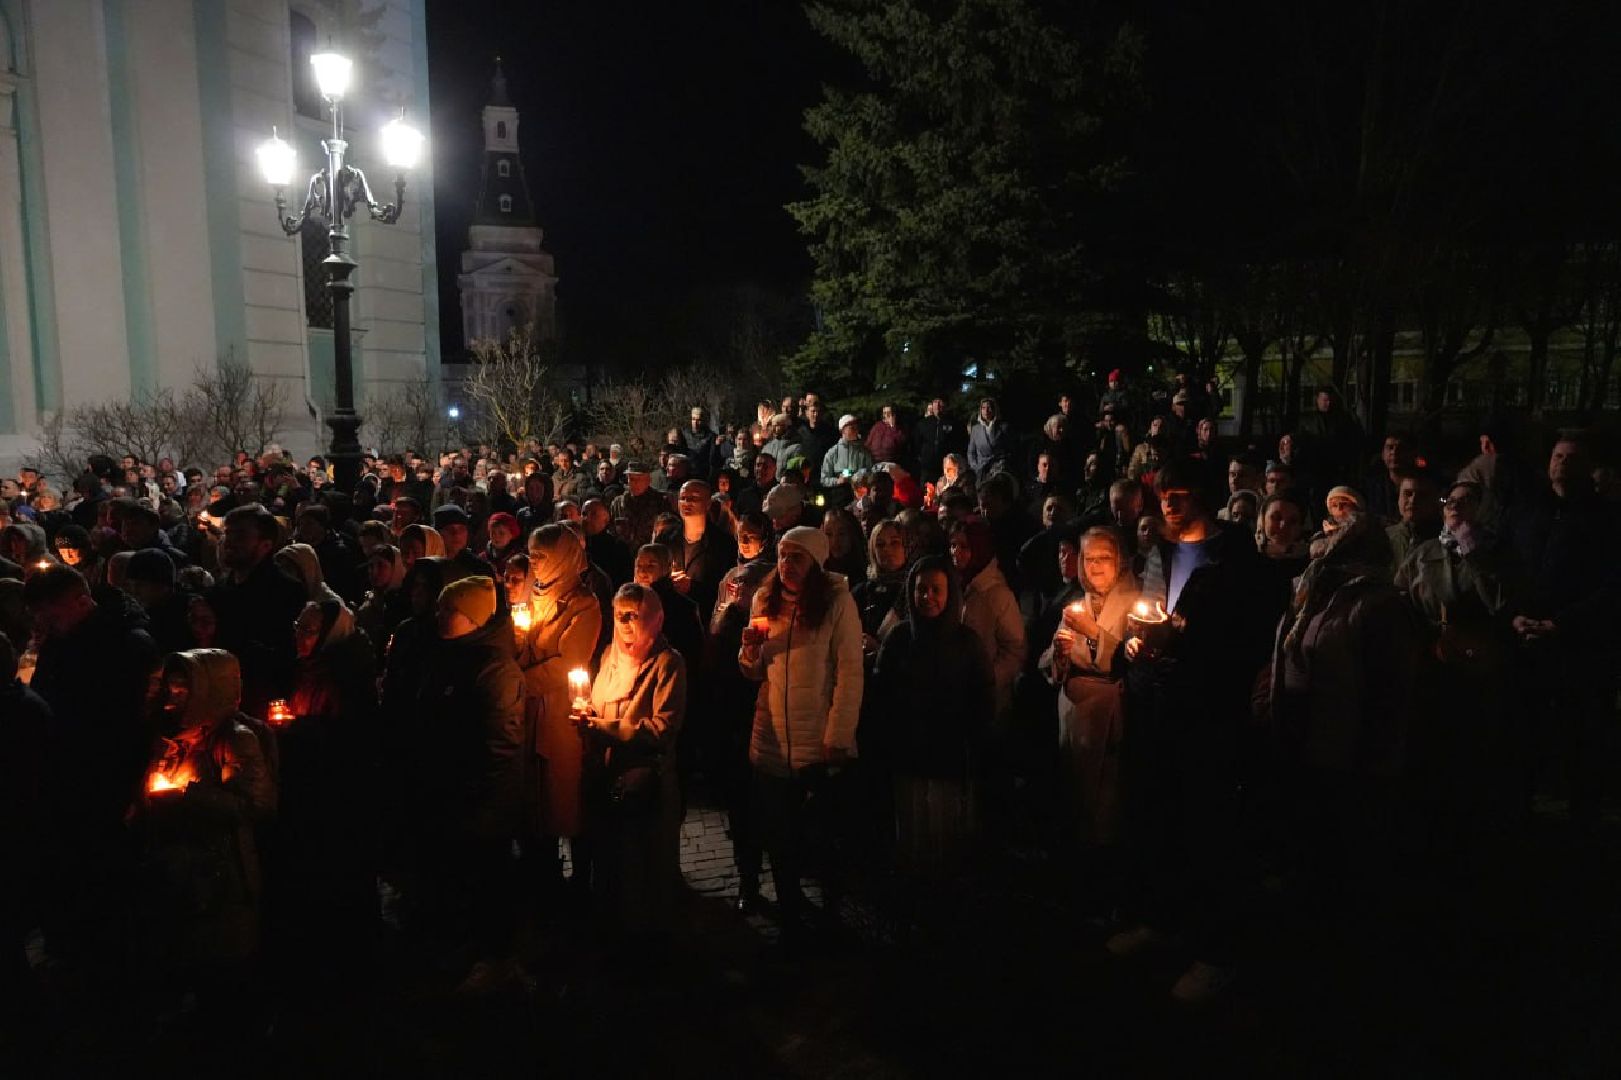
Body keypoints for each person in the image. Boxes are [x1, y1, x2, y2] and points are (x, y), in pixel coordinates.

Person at [1113, 459, 1280, 1004]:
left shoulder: (1234, 560)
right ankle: (1163, 923)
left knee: (1210, 830)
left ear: (1202, 498)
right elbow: (1147, 614)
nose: (1169, 505)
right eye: (1164, 495)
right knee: (1160, 817)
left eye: (1180, 495)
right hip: (1158, 705)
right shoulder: (1159, 553)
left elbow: (1244, 638)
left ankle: (1217, 954)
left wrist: (1184, 644)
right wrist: (1137, 644)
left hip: (1210, 713)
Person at [1269, 512, 1419, 930]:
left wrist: (1376, 760)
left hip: (1346, 751)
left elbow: (1390, 691)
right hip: (1305, 740)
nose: (1325, 541)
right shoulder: (1315, 594)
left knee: (1343, 855)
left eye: (1337, 537)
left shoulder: (1379, 605)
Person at [24, 564, 159, 981]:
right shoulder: (61, 640)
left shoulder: (127, 644)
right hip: (65, 774)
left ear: (81, 602)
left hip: (105, 777)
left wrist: (131, 784)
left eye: (52, 617)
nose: (45, 627)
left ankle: (108, 963)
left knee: (104, 870)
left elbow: (134, 721)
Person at [739, 525, 863, 941]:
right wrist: (750, 650)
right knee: (779, 835)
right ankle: (790, 913)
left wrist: (838, 736)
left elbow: (850, 672)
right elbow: (754, 671)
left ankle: (830, 913)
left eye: (797, 558)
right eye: (783, 556)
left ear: (814, 562)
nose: (787, 565)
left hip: (817, 740)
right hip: (772, 735)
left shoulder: (837, 602)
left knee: (822, 837)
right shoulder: (765, 599)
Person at [138, 650, 276, 993]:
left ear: (207, 690)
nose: (171, 698)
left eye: (182, 690)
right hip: (184, 866)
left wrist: (189, 796)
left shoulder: (234, 738)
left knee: (226, 964)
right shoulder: (175, 735)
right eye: (170, 688)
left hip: (224, 871)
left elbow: (257, 804)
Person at [413, 575, 526, 992]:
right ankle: (464, 950)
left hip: (481, 799)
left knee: (487, 878)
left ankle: (496, 958)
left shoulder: (496, 669)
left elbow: (501, 743)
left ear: (474, 618)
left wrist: (478, 795)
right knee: (459, 878)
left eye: (450, 610)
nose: (440, 615)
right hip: (449, 791)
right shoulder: (447, 654)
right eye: (440, 607)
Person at [1503, 436, 1620, 829]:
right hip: (1525, 639)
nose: (1563, 463)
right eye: (1557, 456)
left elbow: (1612, 585)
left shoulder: (1607, 520)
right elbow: (1507, 568)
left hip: (1582, 645)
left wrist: (1562, 623)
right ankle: (1520, 807)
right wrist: (1516, 615)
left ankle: (1583, 816)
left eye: (1572, 458)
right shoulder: (1527, 512)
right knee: (1525, 728)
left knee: (1582, 732)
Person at [866, 555, 994, 888]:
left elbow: (982, 700)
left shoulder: (967, 643)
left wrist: (975, 748)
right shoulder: (898, 639)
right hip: (908, 754)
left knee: (946, 834)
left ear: (950, 593)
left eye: (936, 590)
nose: (928, 597)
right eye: (921, 590)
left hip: (950, 756)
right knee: (913, 832)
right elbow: (881, 694)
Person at [582, 583, 688, 935]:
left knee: (644, 870)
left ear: (654, 618)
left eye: (634, 615)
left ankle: (648, 944)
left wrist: (604, 728)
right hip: (608, 779)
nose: (626, 623)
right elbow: (598, 704)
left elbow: (662, 729)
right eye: (620, 615)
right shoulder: (610, 657)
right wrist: (587, 714)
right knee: (611, 866)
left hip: (646, 785)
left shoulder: (667, 663)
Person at [518, 524, 603, 897]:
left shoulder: (584, 604)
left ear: (564, 558)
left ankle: (582, 879)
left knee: (567, 798)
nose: (534, 563)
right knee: (536, 799)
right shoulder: (532, 596)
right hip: (530, 714)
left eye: (542, 556)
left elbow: (568, 661)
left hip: (561, 716)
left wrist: (520, 680)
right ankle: (544, 877)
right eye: (532, 555)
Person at [1046, 527, 1138, 854]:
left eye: (1104, 558)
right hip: (1073, 709)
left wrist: (1094, 632)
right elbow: (1050, 659)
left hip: (1107, 711)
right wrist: (1059, 654)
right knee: (1074, 795)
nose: (1095, 566)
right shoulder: (1079, 603)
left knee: (1104, 802)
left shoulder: (1134, 602)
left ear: (1119, 561)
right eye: (1089, 558)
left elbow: (1131, 659)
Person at [669, 479, 736, 622]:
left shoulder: (723, 544)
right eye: (683, 498)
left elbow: (726, 590)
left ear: (708, 504)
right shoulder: (667, 539)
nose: (687, 502)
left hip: (705, 618)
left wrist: (692, 587)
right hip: (670, 617)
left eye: (693, 498)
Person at [1385, 469, 1441, 572]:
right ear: (1398, 497)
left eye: (1422, 495)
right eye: (1408, 493)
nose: (1413, 500)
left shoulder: (1444, 541)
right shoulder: (1383, 538)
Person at [821, 414, 876, 498]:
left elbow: (872, 472)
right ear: (842, 430)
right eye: (852, 428)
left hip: (860, 494)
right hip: (839, 494)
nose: (856, 430)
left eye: (856, 427)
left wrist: (863, 476)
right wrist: (838, 481)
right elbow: (824, 479)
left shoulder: (864, 452)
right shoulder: (833, 453)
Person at [912, 397, 961, 481]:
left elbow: (958, 443)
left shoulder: (954, 423)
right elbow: (916, 443)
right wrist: (921, 457)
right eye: (935, 402)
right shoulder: (923, 423)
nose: (937, 405)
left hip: (947, 466)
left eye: (940, 402)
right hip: (927, 467)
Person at [967, 398, 1014, 480]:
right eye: (983, 408)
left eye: (989, 408)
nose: (986, 411)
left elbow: (1010, 449)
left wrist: (1003, 464)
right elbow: (971, 452)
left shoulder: (1003, 427)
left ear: (994, 410)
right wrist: (975, 466)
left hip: (1000, 469)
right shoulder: (975, 429)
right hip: (981, 470)